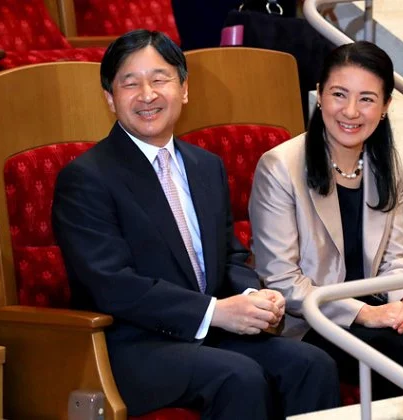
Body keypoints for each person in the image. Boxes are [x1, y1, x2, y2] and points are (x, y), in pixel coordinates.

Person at [52, 29, 339, 419]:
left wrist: (254, 296)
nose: (147, 95)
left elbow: (232, 256)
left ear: (184, 89)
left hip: (209, 335)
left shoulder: (206, 166)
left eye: (160, 79)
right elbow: (112, 285)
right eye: (130, 83)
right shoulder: (86, 178)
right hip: (131, 346)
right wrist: (213, 312)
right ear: (109, 97)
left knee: (312, 363)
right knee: (238, 376)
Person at [249, 41, 403, 400]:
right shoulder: (280, 167)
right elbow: (282, 282)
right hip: (311, 321)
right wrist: (368, 315)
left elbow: (395, 259)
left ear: (385, 106)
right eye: (339, 94)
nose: (351, 111)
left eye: (367, 99)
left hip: (377, 310)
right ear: (320, 94)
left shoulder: (385, 164)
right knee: (400, 351)